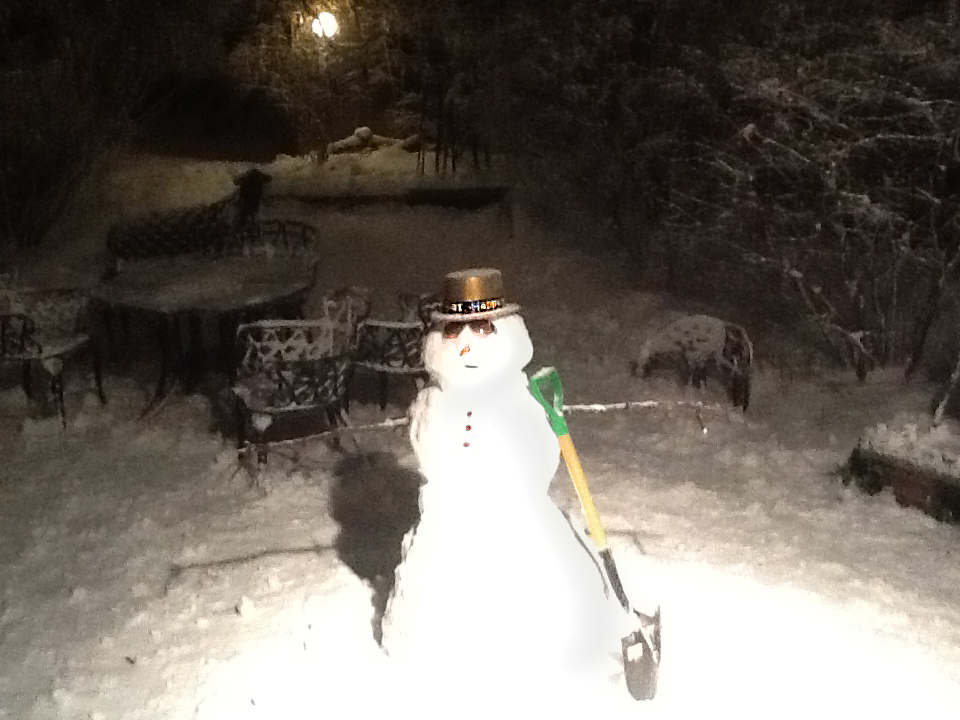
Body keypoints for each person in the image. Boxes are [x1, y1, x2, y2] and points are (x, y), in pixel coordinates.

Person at [380, 268, 618, 708]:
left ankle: (549, 652)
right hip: (451, 521)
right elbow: (428, 453)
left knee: (542, 597)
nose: (468, 344)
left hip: (515, 521)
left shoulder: (519, 395)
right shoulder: (433, 400)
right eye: (454, 331)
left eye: (484, 329)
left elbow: (541, 455)